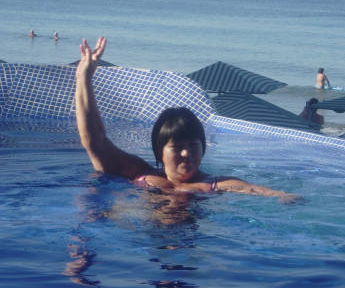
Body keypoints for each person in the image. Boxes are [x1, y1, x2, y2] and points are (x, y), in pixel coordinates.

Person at [75, 37, 302, 204]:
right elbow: (95, 141)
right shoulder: (139, 173)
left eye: (193, 145)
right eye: (177, 147)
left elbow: (256, 190)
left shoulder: (214, 185)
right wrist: (84, 79)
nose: (186, 153)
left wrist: (282, 195)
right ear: (160, 151)